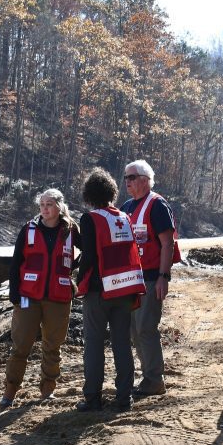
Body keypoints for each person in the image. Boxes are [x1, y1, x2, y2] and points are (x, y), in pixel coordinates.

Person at [0, 188, 79, 409]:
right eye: (42, 204)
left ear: (59, 206)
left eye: (49, 204)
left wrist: (76, 270)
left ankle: (47, 391)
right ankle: (9, 392)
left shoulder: (71, 229)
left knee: (52, 346)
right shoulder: (28, 230)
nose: (44, 209)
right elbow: (15, 263)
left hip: (59, 297)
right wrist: (15, 293)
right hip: (28, 297)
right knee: (20, 346)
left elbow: (90, 250)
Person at [75, 167, 146, 412]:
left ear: (89, 194)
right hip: (124, 290)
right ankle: (124, 398)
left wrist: (79, 283)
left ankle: (92, 398)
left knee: (94, 345)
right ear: (112, 192)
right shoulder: (124, 217)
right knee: (122, 345)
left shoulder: (90, 219)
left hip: (99, 291)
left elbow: (89, 257)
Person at [121, 159, 181, 397]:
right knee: (134, 331)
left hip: (149, 278)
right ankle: (148, 377)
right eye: (125, 177)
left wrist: (163, 277)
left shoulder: (157, 205)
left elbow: (167, 243)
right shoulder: (126, 207)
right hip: (130, 281)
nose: (127, 181)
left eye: (131, 177)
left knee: (146, 328)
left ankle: (154, 380)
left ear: (145, 180)